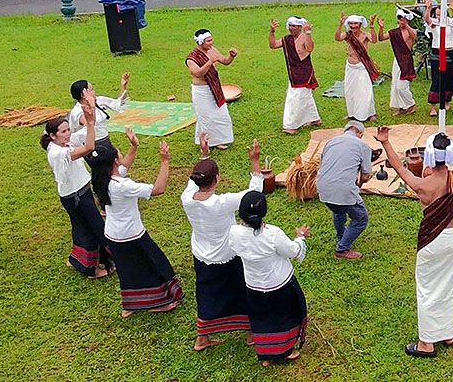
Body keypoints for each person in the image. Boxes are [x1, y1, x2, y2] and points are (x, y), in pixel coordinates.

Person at [374, 112, 453, 358]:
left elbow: (398, 166)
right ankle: (448, 333)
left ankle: (426, 343)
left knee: (428, 289)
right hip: (451, 238)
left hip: (432, 242)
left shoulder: (422, 186)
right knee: (449, 284)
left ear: (429, 156)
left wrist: (385, 142)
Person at [181, 135, 264, 351]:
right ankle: (250, 333)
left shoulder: (187, 198)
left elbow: (193, 182)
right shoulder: (221, 202)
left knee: (206, 293)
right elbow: (253, 194)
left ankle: (202, 338)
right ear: (217, 178)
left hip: (201, 255)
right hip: (227, 254)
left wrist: (204, 154)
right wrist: (255, 162)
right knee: (241, 290)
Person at [86, 131, 181, 317]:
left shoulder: (100, 179)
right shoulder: (122, 186)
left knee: (127, 269)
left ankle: (129, 305)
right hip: (132, 234)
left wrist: (134, 146)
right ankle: (159, 302)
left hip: (113, 234)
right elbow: (158, 189)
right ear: (114, 161)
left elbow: (125, 165)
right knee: (153, 265)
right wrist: (165, 161)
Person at [229, 191, 311, 366]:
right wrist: (300, 236)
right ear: (263, 212)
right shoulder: (272, 233)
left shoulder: (234, 232)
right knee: (285, 316)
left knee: (261, 318)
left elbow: (236, 249)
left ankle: (266, 354)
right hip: (279, 284)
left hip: (253, 285)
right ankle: (286, 350)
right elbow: (293, 252)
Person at [42, 98, 111, 279]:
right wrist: (89, 122)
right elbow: (89, 146)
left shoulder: (60, 143)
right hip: (76, 197)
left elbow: (85, 136)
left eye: (68, 130)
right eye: (63, 132)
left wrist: (91, 120)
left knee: (81, 228)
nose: (68, 134)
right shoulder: (59, 153)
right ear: (52, 136)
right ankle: (92, 268)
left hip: (78, 193)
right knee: (92, 228)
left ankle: (77, 260)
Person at [316, 121, 373, 260]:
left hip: (322, 187)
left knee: (338, 209)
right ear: (360, 133)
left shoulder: (330, 142)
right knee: (361, 218)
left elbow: (323, 164)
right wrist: (359, 184)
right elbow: (365, 175)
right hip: (343, 189)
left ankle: (341, 237)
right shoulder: (363, 146)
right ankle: (342, 249)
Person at [187, 29, 236, 148]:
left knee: (221, 115)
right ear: (200, 42)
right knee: (205, 118)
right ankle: (206, 142)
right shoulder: (191, 58)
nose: (211, 43)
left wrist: (231, 56)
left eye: (211, 40)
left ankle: (218, 140)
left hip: (214, 87)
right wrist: (209, 62)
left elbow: (224, 61)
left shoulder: (213, 50)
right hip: (201, 91)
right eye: (208, 41)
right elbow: (197, 73)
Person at [271, 17, 321, 134]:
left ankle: (291, 125)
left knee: (295, 98)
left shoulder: (304, 37)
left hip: (304, 72)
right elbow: (273, 45)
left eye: (295, 26)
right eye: (290, 25)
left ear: (300, 27)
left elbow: (309, 48)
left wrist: (308, 33)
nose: (292, 28)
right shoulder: (286, 39)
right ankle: (314, 119)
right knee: (304, 96)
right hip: (293, 72)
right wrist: (272, 31)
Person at [335, 13, 380, 123]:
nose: (353, 26)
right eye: (351, 23)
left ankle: (370, 113)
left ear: (360, 24)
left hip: (362, 66)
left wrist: (372, 26)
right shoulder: (347, 35)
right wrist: (340, 24)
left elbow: (374, 40)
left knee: (365, 90)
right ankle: (352, 113)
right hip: (350, 66)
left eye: (355, 23)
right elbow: (337, 38)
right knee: (350, 90)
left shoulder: (365, 35)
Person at [67, 74, 128, 150]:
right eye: (91, 90)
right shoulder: (77, 112)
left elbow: (119, 104)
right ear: (83, 94)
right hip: (88, 145)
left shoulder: (99, 100)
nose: (94, 91)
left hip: (104, 140)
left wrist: (123, 86)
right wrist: (92, 106)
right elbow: (90, 123)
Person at [424, 0, 453, 116]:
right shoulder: (434, 23)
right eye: (438, 14)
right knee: (437, 79)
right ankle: (433, 106)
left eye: (442, 14)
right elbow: (427, 19)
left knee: (449, 78)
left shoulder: (451, 22)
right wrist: (428, 8)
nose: (439, 16)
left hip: (449, 53)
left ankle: (446, 101)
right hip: (437, 53)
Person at [384, 9, 419, 115]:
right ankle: (402, 107)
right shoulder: (394, 32)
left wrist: (406, 24)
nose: (400, 21)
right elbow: (381, 38)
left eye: (402, 19)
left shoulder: (410, 31)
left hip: (406, 61)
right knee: (395, 85)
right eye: (399, 19)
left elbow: (414, 36)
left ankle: (411, 104)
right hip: (397, 60)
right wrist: (380, 27)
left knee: (401, 86)